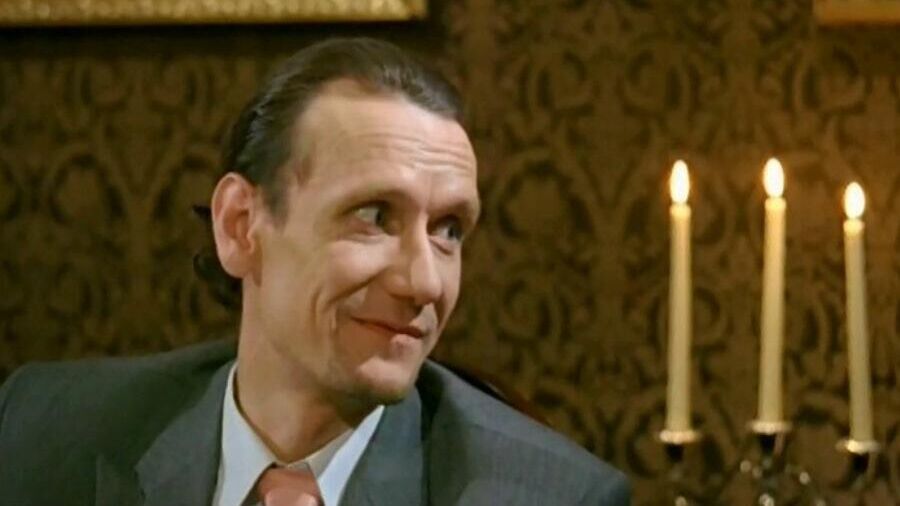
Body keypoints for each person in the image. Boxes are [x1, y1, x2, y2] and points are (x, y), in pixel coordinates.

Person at [0, 37, 629, 505]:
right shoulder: (41, 433)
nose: (425, 282)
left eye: (448, 230)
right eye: (375, 216)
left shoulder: (547, 496)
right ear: (241, 226)